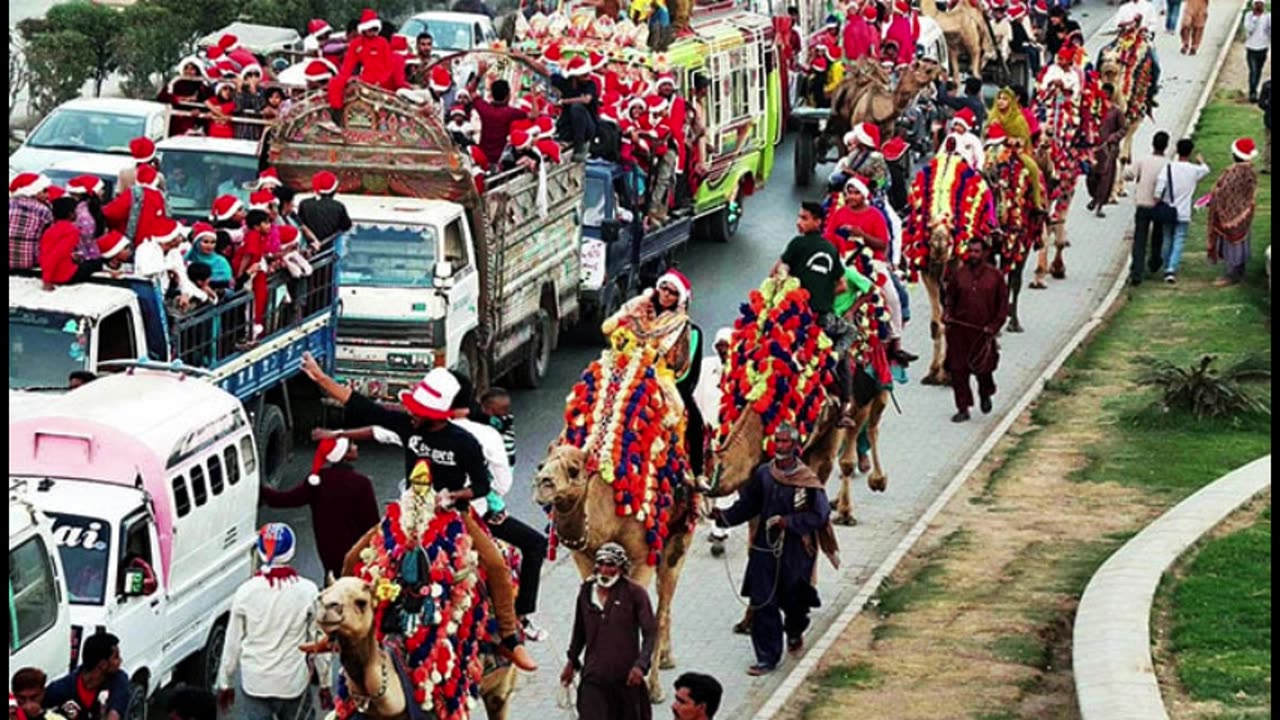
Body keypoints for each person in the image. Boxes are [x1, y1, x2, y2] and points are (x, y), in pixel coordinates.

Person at [298, 357, 539, 672]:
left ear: (435, 416)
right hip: (407, 514)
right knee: (352, 558)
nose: (411, 414)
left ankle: (510, 640)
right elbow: (359, 404)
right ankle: (335, 635)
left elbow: (481, 486)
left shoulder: (464, 443)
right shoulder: (407, 426)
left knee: (496, 566)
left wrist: (454, 496)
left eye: (418, 411)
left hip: (453, 518)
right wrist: (320, 378)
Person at [712, 423, 832, 675]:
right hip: (765, 548)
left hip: (795, 551)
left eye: (786, 441)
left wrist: (788, 522)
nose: (780, 446)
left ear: (795, 445)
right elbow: (749, 505)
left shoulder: (806, 480)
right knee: (762, 599)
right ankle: (767, 657)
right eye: (777, 441)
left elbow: (820, 515)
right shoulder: (764, 474)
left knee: (794, 601)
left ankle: (796, 629)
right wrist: (724, 517)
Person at [446, 371, 550, 640]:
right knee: (532, 545)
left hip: (421, 511)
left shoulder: (419, 427)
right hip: (475, 512)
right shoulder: (486, 434)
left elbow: (383, 431)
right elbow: (502, 484)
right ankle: (516, 621)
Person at [216, 524, 326, 720]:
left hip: (255, 683)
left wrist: (225, 683)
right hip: (292, 683)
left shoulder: (245, 592)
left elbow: (232, 645)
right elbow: (317, 642)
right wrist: (325, 682)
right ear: (291, 552)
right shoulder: (308, 591)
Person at [778, 202, 855, 424]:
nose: (798, 222)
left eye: (804, 218)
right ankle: (844, 404)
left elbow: (777, 271)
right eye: (799, 217)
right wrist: (822, 291)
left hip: (794, 319)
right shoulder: (831, 249)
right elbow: (842, 286)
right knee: (850, 333)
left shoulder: (796, 245)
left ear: (817, 222)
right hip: (823, 321)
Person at [561, 543, 657, 720]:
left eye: (611, 565)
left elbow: (650, 633)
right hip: (593, 678)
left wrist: (640, 666)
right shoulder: (586, 592)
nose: (605, 570)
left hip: (626, 679)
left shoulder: (635, 593)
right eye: (601, 564)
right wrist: (571, 661)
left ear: (621, 568)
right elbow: (579, 631)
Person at [260, 436, 379, 579]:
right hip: (356, 553)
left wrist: (260, 491)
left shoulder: (318, 480)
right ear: (344, 454)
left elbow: (287, 499)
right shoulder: (361, 483)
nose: (357, 447)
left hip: (327, 552)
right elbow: (372, 524)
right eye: (352, 445)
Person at [944, 236, 1009, 423]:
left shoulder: (995, 277)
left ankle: (985, 393)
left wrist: (994, 326)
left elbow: (1003, 306)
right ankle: (963, 408)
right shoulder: (959, 275)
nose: (973, 255)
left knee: (984, 369)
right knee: (958, 371)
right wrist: (948, 314)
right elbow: (949, 299)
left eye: (977, 251)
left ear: (985, 253)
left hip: (983, 333)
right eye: (970, 251)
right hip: (959, 332)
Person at [1153, 138, 1210, 284]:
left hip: (1168, 209)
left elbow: (1160, 187)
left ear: (1177, 151)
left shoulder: (1169, 167)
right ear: (1190, 152)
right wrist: (1201, 161)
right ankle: (1171, 268)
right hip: (1184, 211)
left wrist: (1156, 200)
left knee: (1167, 237)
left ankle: (1166, 265)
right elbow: (1206, 170)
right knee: (1179, 239)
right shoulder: (1193, 170)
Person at [1207, 138, 1260, 286]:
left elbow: (1224, 191)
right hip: (1245, 212)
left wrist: (1213, 197)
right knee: (1241, 241)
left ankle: (1232, 275)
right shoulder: (1250, 171)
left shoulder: (1234, 172)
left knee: (1233, 244)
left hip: (1231, 215)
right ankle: (1239, 271)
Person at [43, 632, 130, 720]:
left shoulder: (119, 681)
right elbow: (38, 704)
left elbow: (115, 712)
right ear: (103, 664)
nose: (120, 661)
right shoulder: (64, 687)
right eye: (116, 657)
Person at [328, 10, 394, 118]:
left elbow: (389, 66)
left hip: (380, 79)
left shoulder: (382, 42)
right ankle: (337, 112)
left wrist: (380, 81)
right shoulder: (356, 43)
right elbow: (348, 65)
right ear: (364, 29)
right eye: (371, 29)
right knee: (335, 82)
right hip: (365, 77)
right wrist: (346, 79)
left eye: (375, 29)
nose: (373, 32)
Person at [1127, 130, 1171, 284]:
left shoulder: (1143, 160)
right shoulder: (1168, 163)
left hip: (1142, 203)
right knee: (1157, 236)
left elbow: (1128, 174)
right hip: (1159, 205)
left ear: (1152, 144)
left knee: (1140, 238)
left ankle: (1136, 272)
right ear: (1166, 146)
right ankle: (1154, 262)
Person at [1086, 83, 1126, 218]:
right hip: (1094, 149)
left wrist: (1113, 138)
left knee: (1105, 178)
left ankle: (1100, 205)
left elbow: (1123, 129)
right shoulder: (1093, 109)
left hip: (1109, 150)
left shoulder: (1116, 111)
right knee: (1091, 176)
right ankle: (1095, 197)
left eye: (1106, 93)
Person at [39, 197, 96, 290]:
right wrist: (46, 280)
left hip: (50, 271)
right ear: (71, 214)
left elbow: (46, 253)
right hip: (65, 276)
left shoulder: (50, 229)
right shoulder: (72, 231)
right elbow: (55, 255)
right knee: (95, 263)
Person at [472, 79, 529, 166]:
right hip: (500, 159)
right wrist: (533, 95)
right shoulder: (510, 112)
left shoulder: (485, 109)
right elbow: (534, 115)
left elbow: (471, 92)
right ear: (508, 95)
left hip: (482, 156)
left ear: (492, 94)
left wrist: (479, 75)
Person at [9, 172, 54, 271]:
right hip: (29, 260)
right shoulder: (43, 210)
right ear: (33, 191)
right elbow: (49, 237)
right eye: (45, 191)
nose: (48, 195)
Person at [297, 171, 352, 249]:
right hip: (331, 251)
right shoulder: (338, 207)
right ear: (333, 190)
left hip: (308, 250)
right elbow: (346, 226)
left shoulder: (304, 204)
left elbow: (300, 224)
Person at [1244, 0, 1270, 103]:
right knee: (1253, 71)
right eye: (1257, 4)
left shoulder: (1267, 17)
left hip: (1263, 47)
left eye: (1261, 4)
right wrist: (1255, 18)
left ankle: (1255, 89)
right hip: (1251, 47)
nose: (1259, 6)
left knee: (1258, 71)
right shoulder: (1249, 16)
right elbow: (1248, 29)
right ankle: (1252, 92)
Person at [1260, 80, 1272, 174]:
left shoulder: (1267, 85)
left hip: (1269, 119)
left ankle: (1267, 165)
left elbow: (1261, 103)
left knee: (1268, 143)